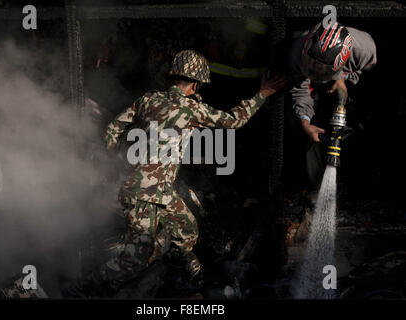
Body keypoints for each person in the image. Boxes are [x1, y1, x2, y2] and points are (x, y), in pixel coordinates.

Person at [63, 50, 286, 297]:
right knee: (134, 261)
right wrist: (262, 94)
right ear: (195, 83)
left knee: (186, 229)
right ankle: (85, 287)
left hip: (160, 192)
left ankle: (180, 267)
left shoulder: (148, 100)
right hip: (143, 195)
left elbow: (115, 126)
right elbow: (234, 120)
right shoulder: (191, 109)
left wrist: (108, 158)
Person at [289, 21, 376, 184]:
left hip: (345, 77)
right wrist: (305, 124)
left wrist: (346, 78)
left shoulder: (364, 50)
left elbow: (371, 71)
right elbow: (300, 90)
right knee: (308, 127)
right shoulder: (296, 52)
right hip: (313, 86)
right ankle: (312, 184)